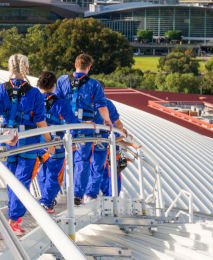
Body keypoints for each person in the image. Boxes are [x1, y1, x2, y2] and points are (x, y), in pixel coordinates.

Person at [0, 54, 52, 235]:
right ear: (26, 69)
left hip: (8, 139)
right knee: (23, 179)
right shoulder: (34, 94)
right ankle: (14, 219)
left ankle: (13, 216)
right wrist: (49, 142)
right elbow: (40, 122)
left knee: (11, 178)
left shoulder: (1, 90)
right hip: (27, 140)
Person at [56, 53, 113, 205]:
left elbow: (54, 101)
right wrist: (107, 121)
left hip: (66, 125)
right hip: (84, 126)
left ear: (75, 65)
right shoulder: (94, 85)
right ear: (89, 67)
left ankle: (58, 193)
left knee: (63, 157)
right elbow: (101, 106)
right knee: (82, 160)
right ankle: (76, 195)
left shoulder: (62, 80)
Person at [35, 71, 79, 213]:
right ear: (54, 85)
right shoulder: (60, 103)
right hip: (56, 142)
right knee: (54, 174)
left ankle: (46, 199)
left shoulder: (33, 101)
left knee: (42, 172)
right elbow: (72, 123)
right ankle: (46, 202)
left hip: (38, 143)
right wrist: (74, 139)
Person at [90, 99, 138, 199]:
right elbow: (117, 139)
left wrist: (128, 142)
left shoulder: (114, 126)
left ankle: (110, 197)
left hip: (112, 157)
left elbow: (117, 139)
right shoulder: (105, 126)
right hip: (105, 155)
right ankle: (97, 196)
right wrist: (127, 142)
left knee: (111, 179)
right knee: (101, 175)